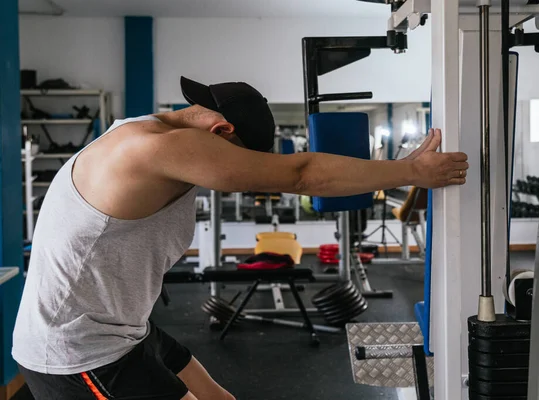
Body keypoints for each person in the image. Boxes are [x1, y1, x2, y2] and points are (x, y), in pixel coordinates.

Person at [12, 76, 469, 400]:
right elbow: (303, 173)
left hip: (122, 330)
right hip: (81, 352)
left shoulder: (137, 131)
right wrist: (410, 171)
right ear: (222, 131)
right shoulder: (160, 148)